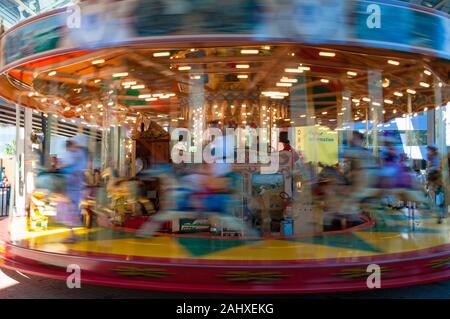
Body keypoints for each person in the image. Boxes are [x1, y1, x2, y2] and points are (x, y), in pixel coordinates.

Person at [58, 136, 89, 242]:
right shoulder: (78, 154)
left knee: (70, 209)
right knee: (70, 209)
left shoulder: (78, 154)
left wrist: (62, 169)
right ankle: (72, 234)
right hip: (73, 186)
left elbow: (72, 168)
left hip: (73, 187)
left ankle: (72, 235)